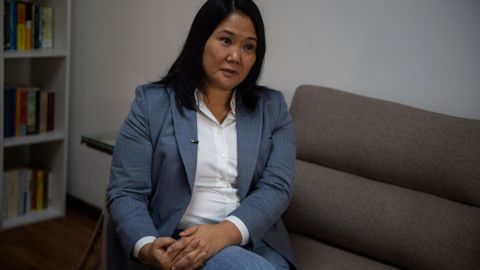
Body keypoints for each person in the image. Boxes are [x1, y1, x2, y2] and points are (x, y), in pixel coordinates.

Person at [107, 0, 296, 269]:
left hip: (253, 236)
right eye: (225, 40)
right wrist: (147, 246)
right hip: (179, 238)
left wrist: (223, 233)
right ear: (201, 41)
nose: (236, 57)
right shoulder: (152, 105)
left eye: (248, 47)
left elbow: (278, 187)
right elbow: (127, 191)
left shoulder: (272, 108)